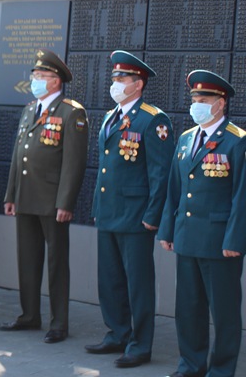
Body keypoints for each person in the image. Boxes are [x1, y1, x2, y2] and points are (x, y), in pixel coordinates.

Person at [85, 51, 174, 368]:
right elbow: (106, 168)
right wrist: (98, 207)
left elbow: (160, 173)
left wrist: (153, 215)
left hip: (136, 216)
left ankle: (140, 345)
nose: (116, 82)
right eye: (114, 77)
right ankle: (117, 333)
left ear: (139, 84)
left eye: (122, 78)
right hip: (109, 212)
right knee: (110, 280)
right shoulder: (112, 116)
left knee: (138, 284)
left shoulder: (153, 119)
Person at [158, 70, 246, 377]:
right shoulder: (186, 139)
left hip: (219, 243)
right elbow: (174, 189)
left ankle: (221, 370)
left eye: (204, 99)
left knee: (224, 313)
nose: (197, 104)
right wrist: (168, 230)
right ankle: (191, 365)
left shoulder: (237, 141)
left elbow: (242, 197)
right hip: (187, 237)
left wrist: (235, 240)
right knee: (188, 308)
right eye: (195, 98)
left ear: (221, 103)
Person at [1, 49, 88, 344]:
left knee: (56, 263)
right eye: (34, 75)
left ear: (55, 81)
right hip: (26, 196)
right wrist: (11, 194)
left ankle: (59, 323)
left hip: (52, 200)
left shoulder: (71, 112)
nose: (35, 80)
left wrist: (66, 202)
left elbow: (73, 163)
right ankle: (29, 315)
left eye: (41, 76)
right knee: (27, 258)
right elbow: (18, 155)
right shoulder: (30, 110)